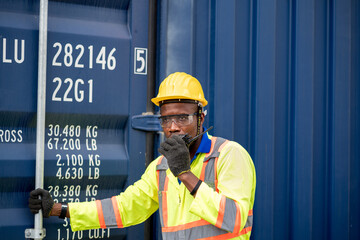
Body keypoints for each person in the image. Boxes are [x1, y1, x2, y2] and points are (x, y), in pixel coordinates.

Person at [29, 72, 256, 240]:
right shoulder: (161, 167)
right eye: (166, 119)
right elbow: (125, 207)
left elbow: (234, 220)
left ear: (201, 119)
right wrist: (60, 210)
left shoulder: (228, 155)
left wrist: (185, 174)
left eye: (183, 118)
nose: (173, 127)